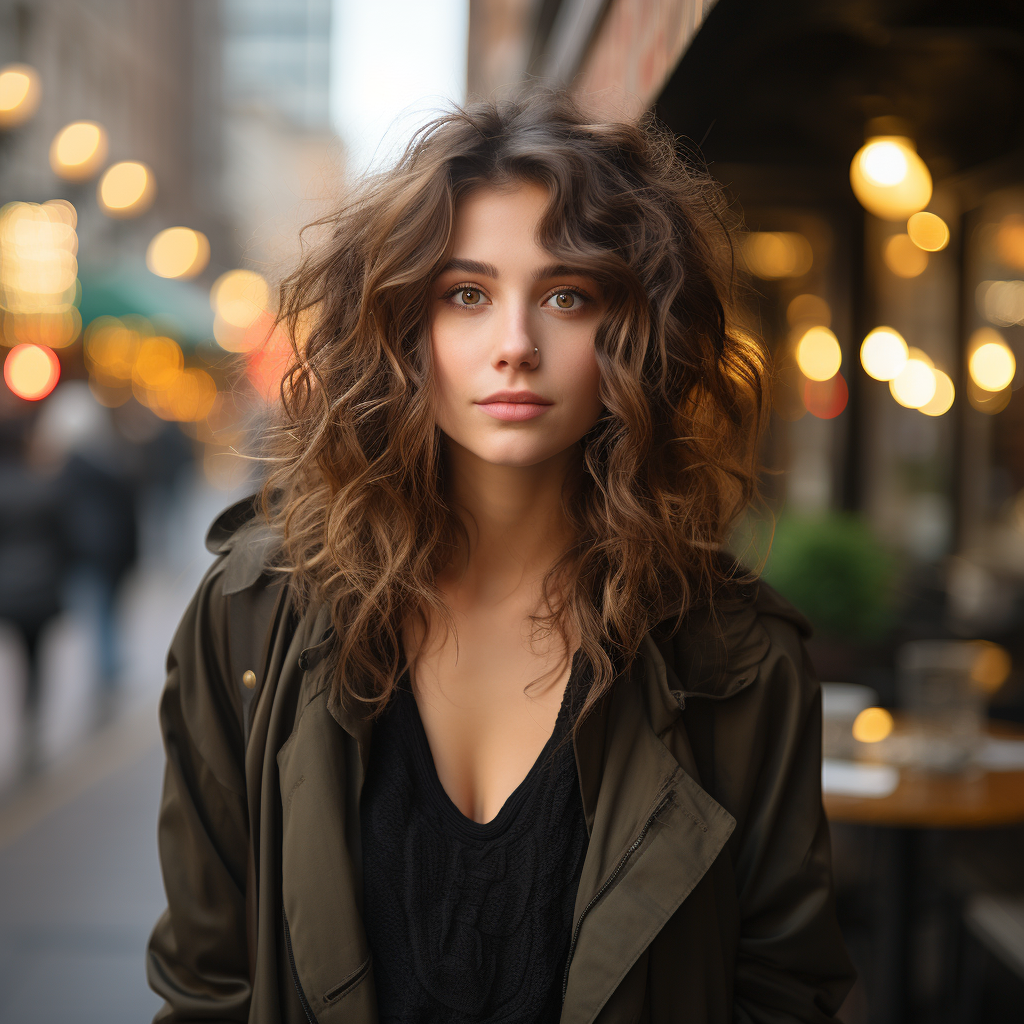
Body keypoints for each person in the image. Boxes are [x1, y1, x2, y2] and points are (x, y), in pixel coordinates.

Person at [148, 90, 855, 1023]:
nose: (515, 346)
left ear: (634, 333)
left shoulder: (736, 657)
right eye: (466, 295)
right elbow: (209, 987)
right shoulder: (250, 616)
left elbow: (782, 991)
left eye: (568, 295)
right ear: (404, 327)